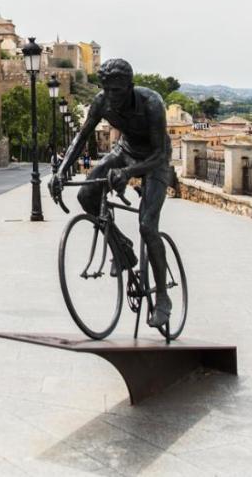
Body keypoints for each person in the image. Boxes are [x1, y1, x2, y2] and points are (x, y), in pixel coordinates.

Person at [51, 58, 173, 330]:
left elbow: (160, 154)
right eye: (107, 90)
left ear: (130, 86)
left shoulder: (151, 103)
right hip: (124, 151)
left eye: (117, 91)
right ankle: (123, 248)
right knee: (86, 196)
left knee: (147, 226)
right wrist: (60, 172)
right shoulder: (102, 101)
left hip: (154, 159)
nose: (112, 98)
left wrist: (130, 173)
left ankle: (163, 296)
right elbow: (81, 137)